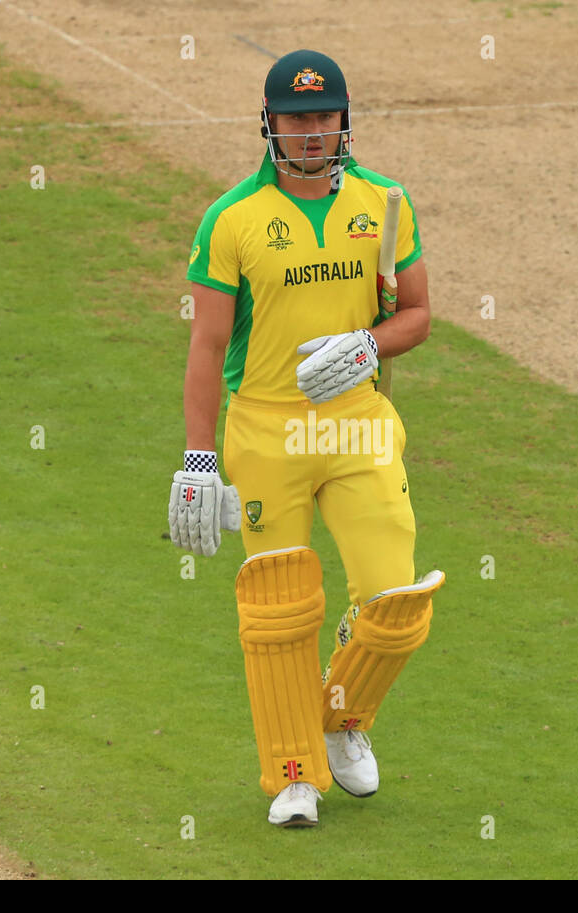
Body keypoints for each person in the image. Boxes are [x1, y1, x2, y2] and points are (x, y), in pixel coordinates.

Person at [170, 49, 445, 828]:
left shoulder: (386, 204)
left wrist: (369, 346)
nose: (312, 132)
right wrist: (198, 457)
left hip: (359, 423)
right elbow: (204, 345)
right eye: (297, 119)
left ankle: (341, 715)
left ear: (346, 119)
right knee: (280, 610)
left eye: (325, 117)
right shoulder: (231, 220)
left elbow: (418, 315)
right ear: (270, 125)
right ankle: (294, 772)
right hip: (264, 427)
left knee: (394, 598)